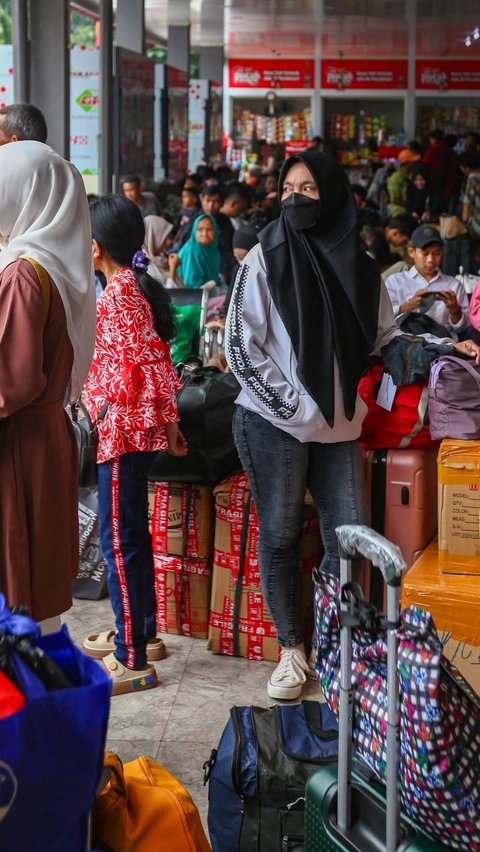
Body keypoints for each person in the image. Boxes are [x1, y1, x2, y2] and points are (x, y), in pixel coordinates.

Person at [225, 150, 479, 702]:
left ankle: (342, 644)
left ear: (335, 195)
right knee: (282, 535)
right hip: (275, 422)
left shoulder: (362, 270)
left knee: (352, 536)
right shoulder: (264, 259)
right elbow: (240, 349)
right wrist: (295, 407)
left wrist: (442, 348)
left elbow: (385, 339)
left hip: (338, 427)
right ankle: (293, 651)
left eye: (309, 189)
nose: (295, 198)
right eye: (288, 187)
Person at [82, 195, 187, 696]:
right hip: (131, 431)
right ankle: (141, 633)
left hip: (121, 435)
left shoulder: (118, 295)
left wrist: (102, 407)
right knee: (131, 539)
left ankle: (132, 656)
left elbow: (142, 366)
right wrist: (167, 423)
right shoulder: (126, 286)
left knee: (118, 544)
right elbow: (157, 361)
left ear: (95, 246)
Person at [0, 140, 96, 629]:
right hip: (46, 436)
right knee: (36, 582)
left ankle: (21, 694)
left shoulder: (22, 275)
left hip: (18, 443)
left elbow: (9, 382)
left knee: (18, 578)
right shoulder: (55, 266)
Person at [384, 224, 470, 340]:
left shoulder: (454, 285)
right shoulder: (395, 282)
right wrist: (407, 307)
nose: (431, 260)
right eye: (425, 254)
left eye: (437, 253)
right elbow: (383, 321)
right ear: (411, 252)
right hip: (408, 346)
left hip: (444, 346)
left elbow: (463, 329)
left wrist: (455, 310)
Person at [168, 213, 221, 289]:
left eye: (209, 229)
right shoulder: (192, 250)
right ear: (194, 231)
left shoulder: (213, 251)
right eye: (200, 229)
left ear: (215, 231)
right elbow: (192, 287)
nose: (204, 234)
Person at [143, 214, 175, 284]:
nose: (168, 242)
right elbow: (168, 293)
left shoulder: (160, 258)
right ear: (152, 238)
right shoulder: (145, 267)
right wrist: (173, 268)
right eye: (163, 238)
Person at [387, 149, 420, 216]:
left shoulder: (410, 175)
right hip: (399, 213)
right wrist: (411, 205)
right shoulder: (395, 178)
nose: (414, 164)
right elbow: (395, 199)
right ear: (406, 163)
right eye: (412, 162)